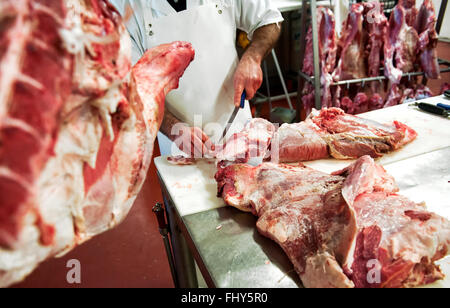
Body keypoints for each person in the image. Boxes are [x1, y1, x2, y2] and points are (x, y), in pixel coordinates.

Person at [111, 0, 283, 157]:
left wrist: (253, 57)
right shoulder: (122, 9)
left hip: (239, 131)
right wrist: (173, 129)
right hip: (179, 145)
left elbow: (269, 18)